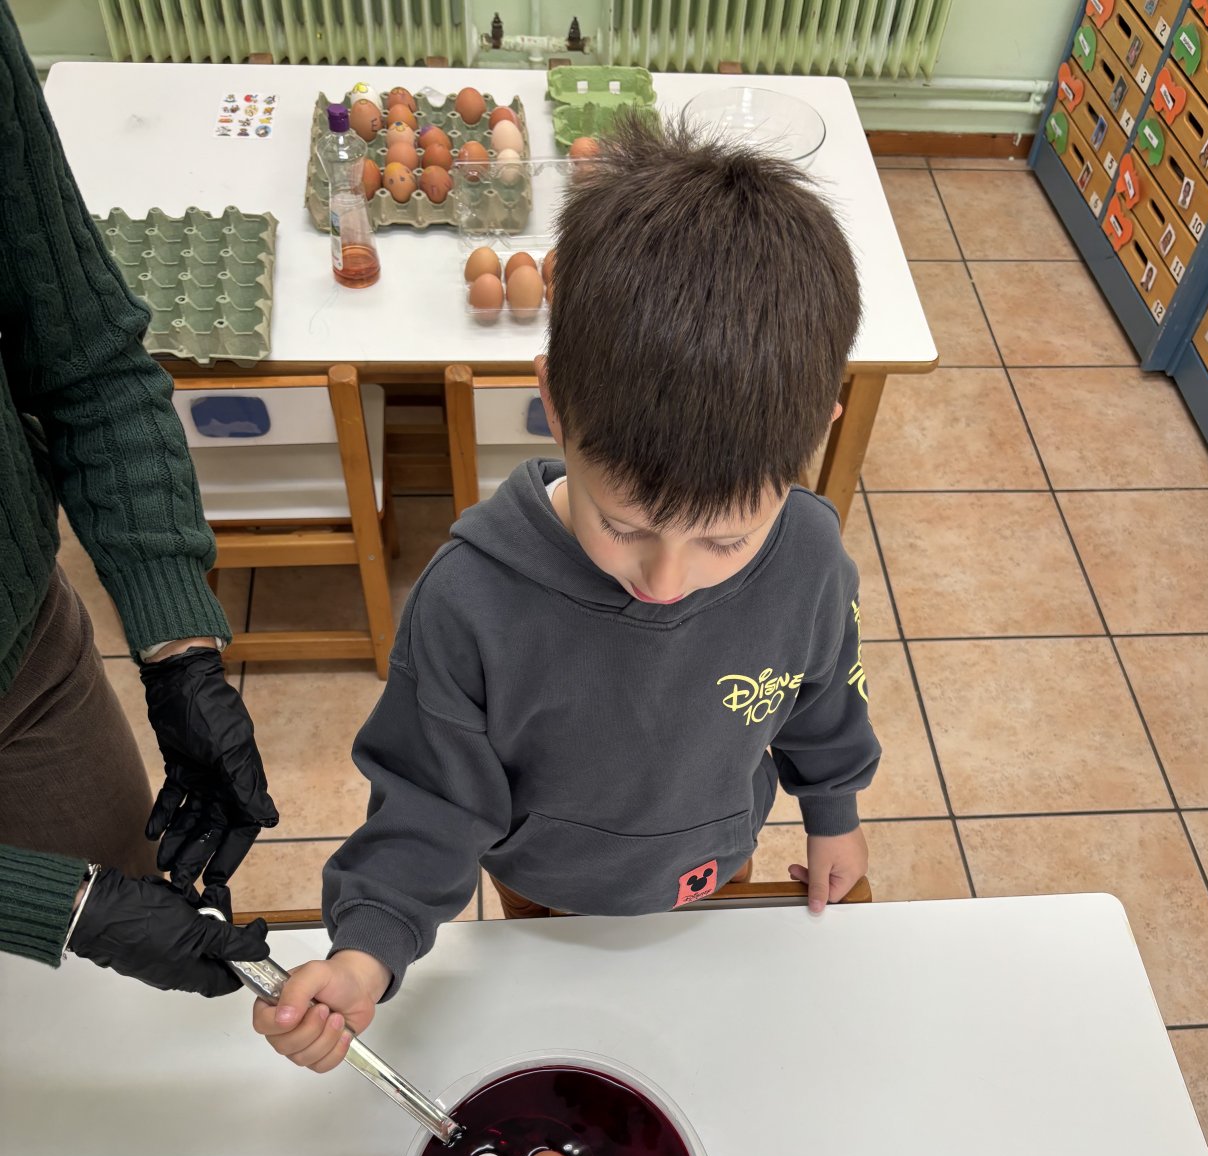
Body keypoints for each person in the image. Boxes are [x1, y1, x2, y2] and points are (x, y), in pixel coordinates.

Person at [255, 116, 879, 1072]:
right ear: (552, 400)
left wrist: (833, 811)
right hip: (540, 887)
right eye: (624, 525)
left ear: (816, 432)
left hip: (714, 867)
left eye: (724, 540)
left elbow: (823, 702)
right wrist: (366, 950)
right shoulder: (470, 601)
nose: (665, 584)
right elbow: (430, 800)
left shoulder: (810, 559)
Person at [0, 0, 275, 997]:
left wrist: (178, 654)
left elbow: (84, 359)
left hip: (22, 661)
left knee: (108, 989)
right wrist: (51, 904)